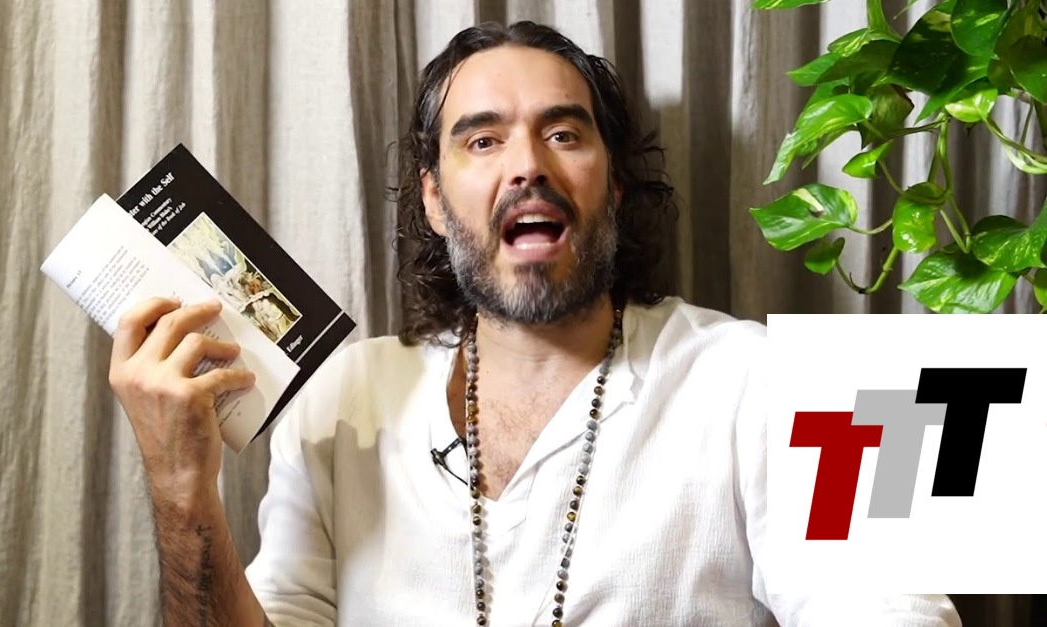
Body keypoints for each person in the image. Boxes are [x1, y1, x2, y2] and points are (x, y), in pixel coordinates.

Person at [107, 20, 963, 627]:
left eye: (563, 133)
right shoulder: (341, 397)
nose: (527, 165)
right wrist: (182, 492)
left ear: (613, 184)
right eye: (482, 141)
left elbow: (889, 609)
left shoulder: (760, 377)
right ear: (433, 200)